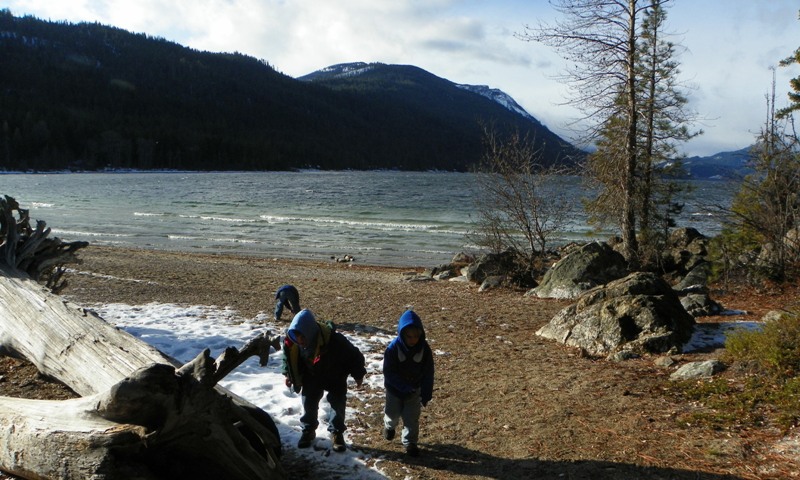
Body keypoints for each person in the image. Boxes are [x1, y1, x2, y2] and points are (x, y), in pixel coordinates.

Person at [282, 309, 366, 452]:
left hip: (335, 376)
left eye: (302, 337)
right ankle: (308, 430)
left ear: (310, 332)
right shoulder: (294, 343)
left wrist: (358, 374)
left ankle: (337, 433)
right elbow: (288, 359)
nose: (300, 341)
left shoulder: (334, 340)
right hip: (312, 376)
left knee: (337, 404)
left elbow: (354, 356)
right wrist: (288, 375)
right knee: (308, 402)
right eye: (296, 338)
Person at [382, 309, 434, 457]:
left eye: (416, 336)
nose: (413, 340)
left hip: (414, 390)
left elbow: (428, 371)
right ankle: (389, 426)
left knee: (411, 418)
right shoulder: (393, 348)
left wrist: (426, 392)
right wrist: (402, 386)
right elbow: (389, 372)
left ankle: (410, 442)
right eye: (409, 336)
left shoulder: (424, 349)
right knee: (393, 414)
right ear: (402, 334)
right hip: (395, 390)